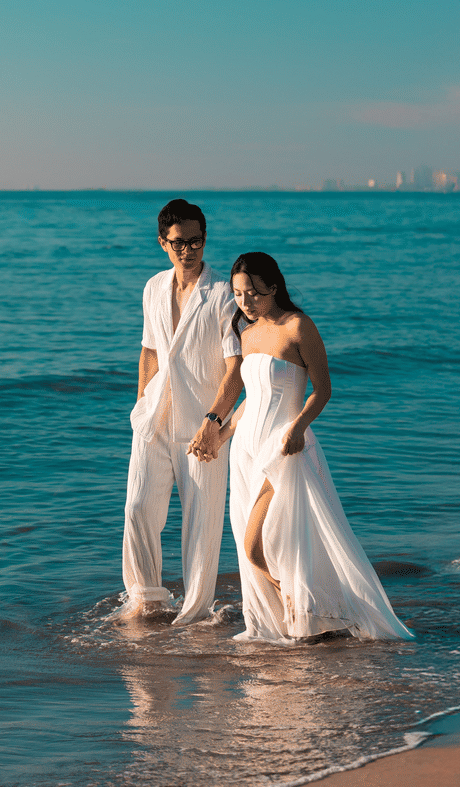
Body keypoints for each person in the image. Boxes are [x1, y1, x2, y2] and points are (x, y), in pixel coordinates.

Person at [217, 252, 412, 642]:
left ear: (274, 287)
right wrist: (218, 436)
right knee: (270, 545)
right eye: (239, 295)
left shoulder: (298, 326)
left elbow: (323, 390)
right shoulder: (248, 333)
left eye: (254, 293)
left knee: (258, 547)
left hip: (283, 449)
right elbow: (250, 401)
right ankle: (309, 621)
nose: (246, 302)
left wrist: (298, 429)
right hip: (245, 454)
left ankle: (308, 610)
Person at [116, 199, 243, 625]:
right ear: (162, 243)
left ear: (204, 240)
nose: (188, 250)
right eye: (178, 242)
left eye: (195, 241)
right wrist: (141, 405)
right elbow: (149, 350)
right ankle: (147, 599)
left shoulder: (223, 294)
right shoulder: (153, 287)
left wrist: (214, 421)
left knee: (201, 525)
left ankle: (195, 614)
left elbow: (236, 366)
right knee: (137, 510)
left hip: (201, 424)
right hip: (154, 421)